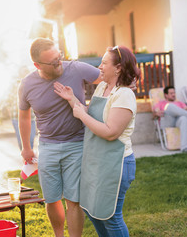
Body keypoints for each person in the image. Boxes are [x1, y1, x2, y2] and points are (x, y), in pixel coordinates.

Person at [18, 37, 100, 237]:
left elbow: (106, 79)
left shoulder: (76, 68)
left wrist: (100, 107)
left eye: (59, 57)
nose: (58, 64)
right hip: (47, 146)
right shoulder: (27, 84)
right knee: (51, 198)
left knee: (74, 200)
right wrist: (26, 147)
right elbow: (24, 116)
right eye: (52, 62)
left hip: (77, 144)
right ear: (37, 65)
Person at [54, 45, 140, 236]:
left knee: (110, 216)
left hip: (116, 163)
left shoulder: (124, 95)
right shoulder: (102, 87)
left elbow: (111, 132)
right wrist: (71, 99)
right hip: (97, 161)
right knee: (93, 212)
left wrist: (82, 116)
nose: (99, 66)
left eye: (104, 63)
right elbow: (90, 115)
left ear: (118, 68)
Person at [153, 86, 187, 153]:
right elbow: (154, 115)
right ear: (166, 95)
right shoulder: (160, 103)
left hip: (178, 122)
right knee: (170, 106)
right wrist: (158, 113)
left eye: (174, 93)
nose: (174, 94)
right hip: (167, 121)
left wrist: (184, 111)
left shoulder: (180, 103)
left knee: (184, 118)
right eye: (171, 93)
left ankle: (185, 148)